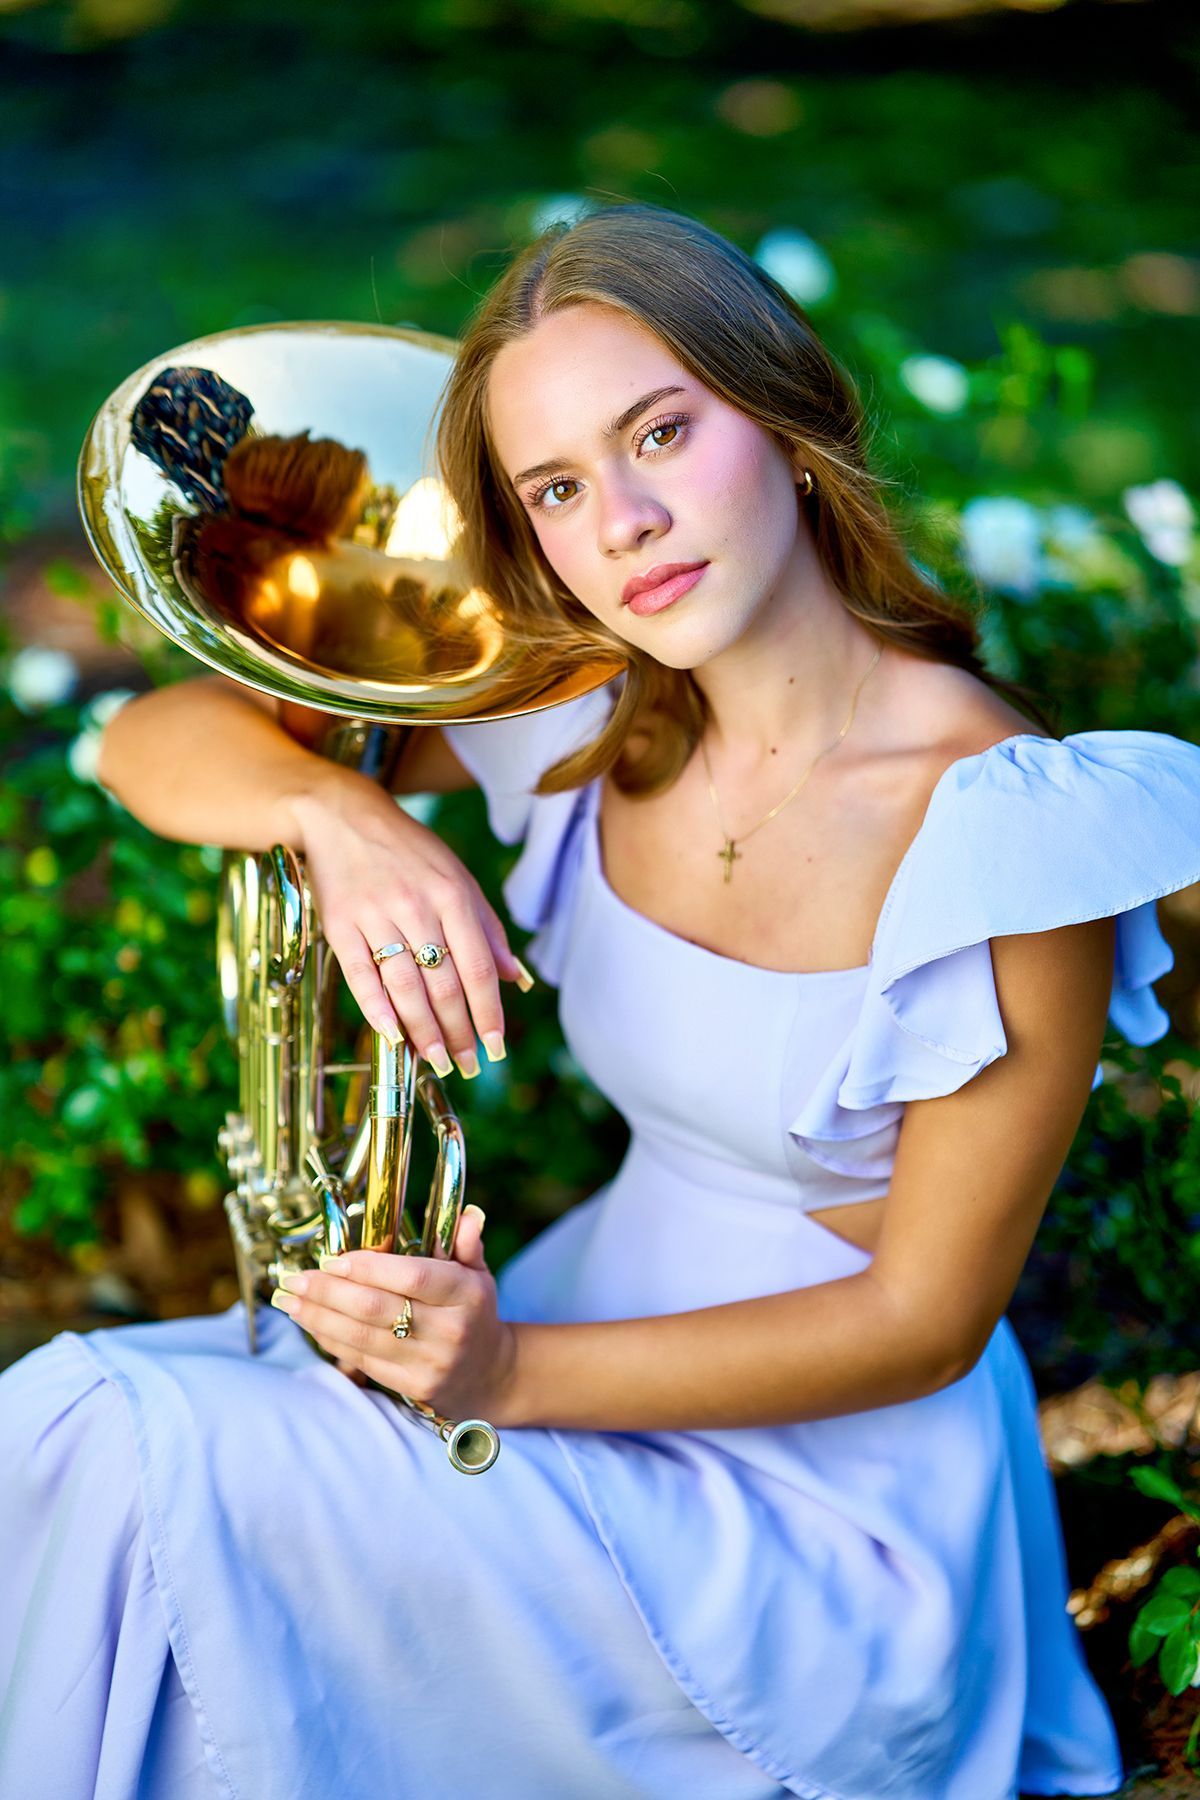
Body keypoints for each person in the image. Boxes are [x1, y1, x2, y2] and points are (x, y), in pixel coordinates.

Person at [3, 201, 1198, 1800]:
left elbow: (923, 1324)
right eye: (558, 488)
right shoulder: (595, 713)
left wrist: (503, 1382)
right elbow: (156, 740)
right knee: (89, 1441)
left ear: (783, 423)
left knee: (112, 1429)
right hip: (572, 1324)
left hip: (819, 1520)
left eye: (661, 434)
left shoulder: (1002, 827)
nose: (623, 522)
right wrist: (344, 818)